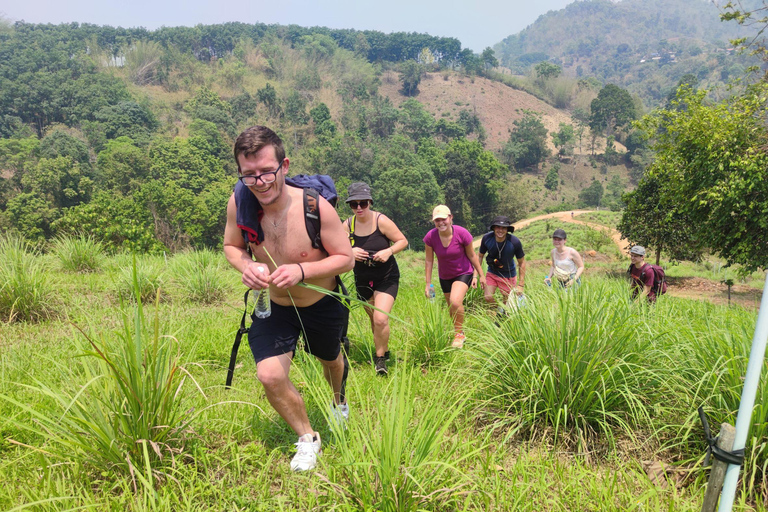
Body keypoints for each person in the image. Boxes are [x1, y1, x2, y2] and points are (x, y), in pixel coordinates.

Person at [223, 126, 354, 472]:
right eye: (249, 175)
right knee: (269, 375)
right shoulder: (240, 203)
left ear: (284, 165)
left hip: (320, 303)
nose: (260, 182)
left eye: (267, 171)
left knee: (331, 360)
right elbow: (232, 247)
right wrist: (247, 265)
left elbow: (345, 258)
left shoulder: (315, 207)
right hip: (276, 306)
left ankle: (339, 401)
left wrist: (301, 270)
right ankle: (308, 437)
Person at [343, 182, 408, 377]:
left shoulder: (381, 221)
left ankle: (380, 360)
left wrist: (388, 251)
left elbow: (402, 240)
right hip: (362, 277)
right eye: (354, 204)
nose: (359, 208)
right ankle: (383, 348)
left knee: (381, 318)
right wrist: (350, 251)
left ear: (370, 202)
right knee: (374, 319)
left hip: (386, 275)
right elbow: (335, 247)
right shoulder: (347, 225)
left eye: (363, 203)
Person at [423, 205, 486, 348]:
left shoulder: (462, 233)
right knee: (452, 307)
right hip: (444, 275)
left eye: (443, 219)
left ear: (450, 218)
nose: (441, 223)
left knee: (455, 301)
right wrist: (428, 283)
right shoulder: (430, 237)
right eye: (437, 220)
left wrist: (480, 275)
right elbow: (429, 260)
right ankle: (459, 331)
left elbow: (472, 255)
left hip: (463, 272)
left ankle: (459, 335)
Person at [478, 215, 526, 308]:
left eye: (503, 228)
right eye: (498, 227)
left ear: (507, 229)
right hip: (492, 272)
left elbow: (522, 262)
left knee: (507, 302)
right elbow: (480, 256)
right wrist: (478, 275)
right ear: (494, 228)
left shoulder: (514, 242)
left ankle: (504, 315)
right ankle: (499, 310)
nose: (500, 230)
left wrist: (521, 284)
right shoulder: (487, 238)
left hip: (508, 275)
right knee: (488, 297)